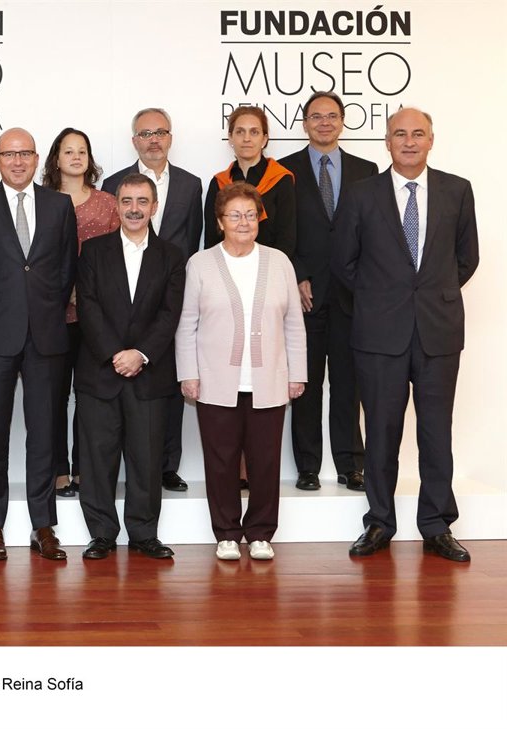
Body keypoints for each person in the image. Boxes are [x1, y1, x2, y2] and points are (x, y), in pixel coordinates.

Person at [334, 108, 479, 562]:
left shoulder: (457, 190)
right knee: (380, 432)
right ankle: (380, 522)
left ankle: (436, 525)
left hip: (438, 331)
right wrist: (381, 297)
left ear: (431, 140)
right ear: (387, 141)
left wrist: (431, 293)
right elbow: (343, 262)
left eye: (418, 134)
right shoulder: (361, 194)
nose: (410, 141)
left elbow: (466, 259)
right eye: (400, 134)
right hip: (379, 333)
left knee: (436, 432)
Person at [0, 128, 78, 561]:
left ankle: (42, 524)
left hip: (46, 335)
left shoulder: (59, 205)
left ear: (35, 158)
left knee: (44, 434)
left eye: (25, 154)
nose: (17, 161)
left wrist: (45, 309)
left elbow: (66, 269)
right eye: (9, 155)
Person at [176, 183, 306, 561]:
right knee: (221, 461)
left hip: (269, 381)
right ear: (220, 222)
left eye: (250, 215)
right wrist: (188, 373)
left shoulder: (279, 262)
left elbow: (294, 324)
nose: (244, 222)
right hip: (214, 381)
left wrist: (297, 373)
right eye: (234, 215)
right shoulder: (200, 264)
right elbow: (187, 323)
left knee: (265, 462)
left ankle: (261, 533)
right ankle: (227, 533)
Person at [75, 174, 184, 560]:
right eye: (126, 201)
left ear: (154, 206)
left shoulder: (172, 256)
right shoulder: (93, 251)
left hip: (149, 374)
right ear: (116, 206)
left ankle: (143, 533)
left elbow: (170, 314)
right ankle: (102, 534)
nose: (134, 209)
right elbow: (87, 306)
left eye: (142, 201)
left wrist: (140, 354)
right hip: (100, 372)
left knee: (147, 459)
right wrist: (115, 354)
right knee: (97, 459)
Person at [278, 92, 378, 492]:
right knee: (304, 382)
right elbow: (281, 232)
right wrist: (297, 275)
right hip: (305, 292)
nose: (324, 123)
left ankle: (350, 464)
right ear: (304, 123)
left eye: (332, 116)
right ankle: (307, 466)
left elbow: (375, 231)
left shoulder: (367, 170)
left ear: (342, 122)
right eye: (316, 116)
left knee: (348, 383)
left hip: (353, 294)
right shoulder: (284, 171)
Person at [102, 108, 203, 493]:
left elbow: (193, 241)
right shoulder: (113, 183)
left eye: (160, 131)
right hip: (125, 299)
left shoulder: (191, 184)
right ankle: (127, 465)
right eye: (145, 133)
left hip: (170, 298)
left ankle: (167, 465)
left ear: (170, 137)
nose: (154, 139)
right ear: (134, 141)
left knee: (168, 380)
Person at [41, 127, 120, 498]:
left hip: (97, 317)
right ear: (56, 159)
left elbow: (119, 258)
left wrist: (87, 293)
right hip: (53, 316)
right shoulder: (40, 202)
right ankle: (58, 470)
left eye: (82, 151)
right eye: (68, 151)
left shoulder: (108, 203)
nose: (75, 157)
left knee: (91, 399)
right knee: (54, 397)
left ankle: (85, 470)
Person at [204, 106, 296, 256]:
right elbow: (212, 240)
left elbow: (287, 239)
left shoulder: (281, 179)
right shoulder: (218, 183)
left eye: (254, 132)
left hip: (271, 265)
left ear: (264, 139)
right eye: (240, 132)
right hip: (227, 266)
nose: (246, 139)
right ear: (230, 137)